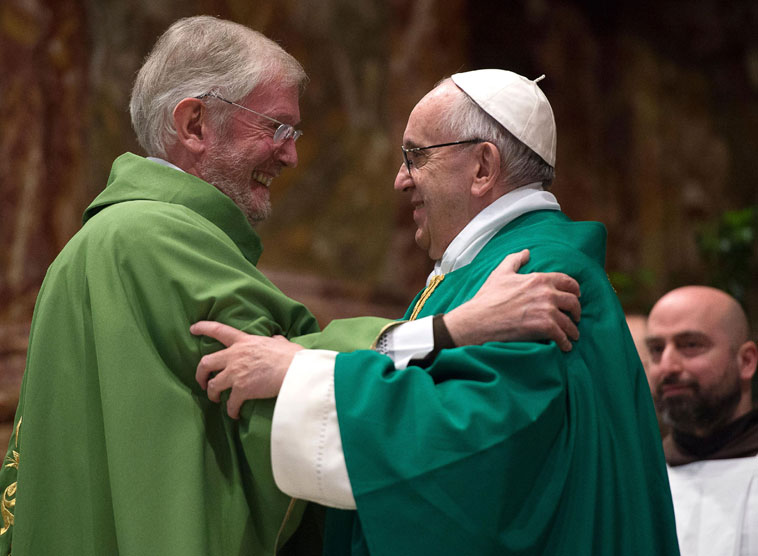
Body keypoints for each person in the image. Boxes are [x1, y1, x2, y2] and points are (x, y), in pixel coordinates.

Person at [0, 17, 583, 556]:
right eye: (276, 127)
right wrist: (454, 328)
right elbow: (274, 384)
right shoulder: (154, 240)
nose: (293, 154)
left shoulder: (96, 242)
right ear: (194, 123)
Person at [193, 69, 680, 554]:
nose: (400, 179)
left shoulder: (535, 275)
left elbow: (471, 444)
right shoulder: (480, 269)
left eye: (416, 155)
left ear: (483, 167)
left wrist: (302, 375)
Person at [645, 286, 758, 554]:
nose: (668, 366)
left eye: (691, 345)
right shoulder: (638, 482)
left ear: (746, 361)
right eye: (657, 349)